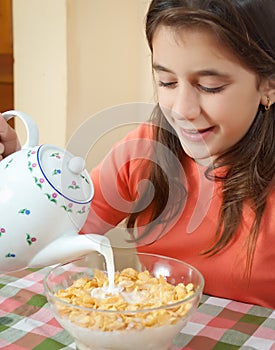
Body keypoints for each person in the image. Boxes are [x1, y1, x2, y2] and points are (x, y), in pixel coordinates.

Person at [1, 0, 275, 308]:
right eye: (167, 82)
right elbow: (54, 236)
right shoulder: (145, 150)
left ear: (268, 83)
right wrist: (14, 184)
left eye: (211, 86)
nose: (182, 110)